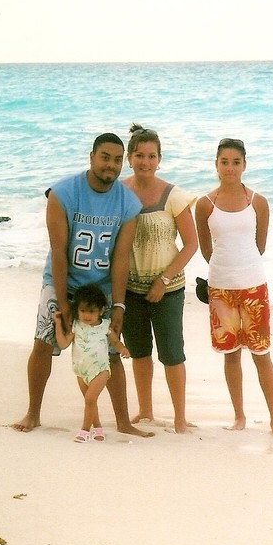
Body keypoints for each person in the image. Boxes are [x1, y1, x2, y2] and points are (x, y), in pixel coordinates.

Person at [11, 132, 154, 438]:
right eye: (105, 157)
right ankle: (33, 413)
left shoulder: (128, 202)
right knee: (43, 342)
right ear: (91, 157)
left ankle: (123, 421)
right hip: (62, 280)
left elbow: (121, 259)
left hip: (101, 286)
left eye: (117, 160)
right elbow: (59, 252)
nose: (111, 165)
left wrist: (118, 305)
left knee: (110, 350)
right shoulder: (63, 193)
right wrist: (63, 304)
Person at [195, 137, 273, 440]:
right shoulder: (204, 204)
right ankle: (239, 416)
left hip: (253, 287)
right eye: (224, 162)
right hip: (220, 288)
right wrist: (225, 272)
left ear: (244, 165)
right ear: (216, 165)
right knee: (231, 355)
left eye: (236, 162)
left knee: (261, 353)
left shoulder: (258, 202)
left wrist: (241, 269)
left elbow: (259, 246)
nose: (230, 168)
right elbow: (207, 250)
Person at [121, 124, 198, 434]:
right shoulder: (119, 193)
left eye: (152, 156)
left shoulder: (174, 196)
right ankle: (145, 411)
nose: (145, 162)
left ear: (160, 159)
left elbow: (191, 244)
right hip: (130, 289)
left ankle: (180, 418)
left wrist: (162, 281)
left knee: (171, 354)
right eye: (139, 155)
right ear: (129, 158)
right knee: (139, 352)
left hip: (168, 289)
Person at [53, 283, 130, 443]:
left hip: (100, 370)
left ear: (101, 310)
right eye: (83, 311)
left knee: (90, 399)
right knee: (90, 402)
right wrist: (58, 325)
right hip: (81, 370)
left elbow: (115, 342)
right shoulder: (75, 326)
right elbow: (63, 344)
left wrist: (123, 349)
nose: (87, 315)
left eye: (92, 311)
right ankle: (98, 428)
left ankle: (84, 430)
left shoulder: (105, 326)